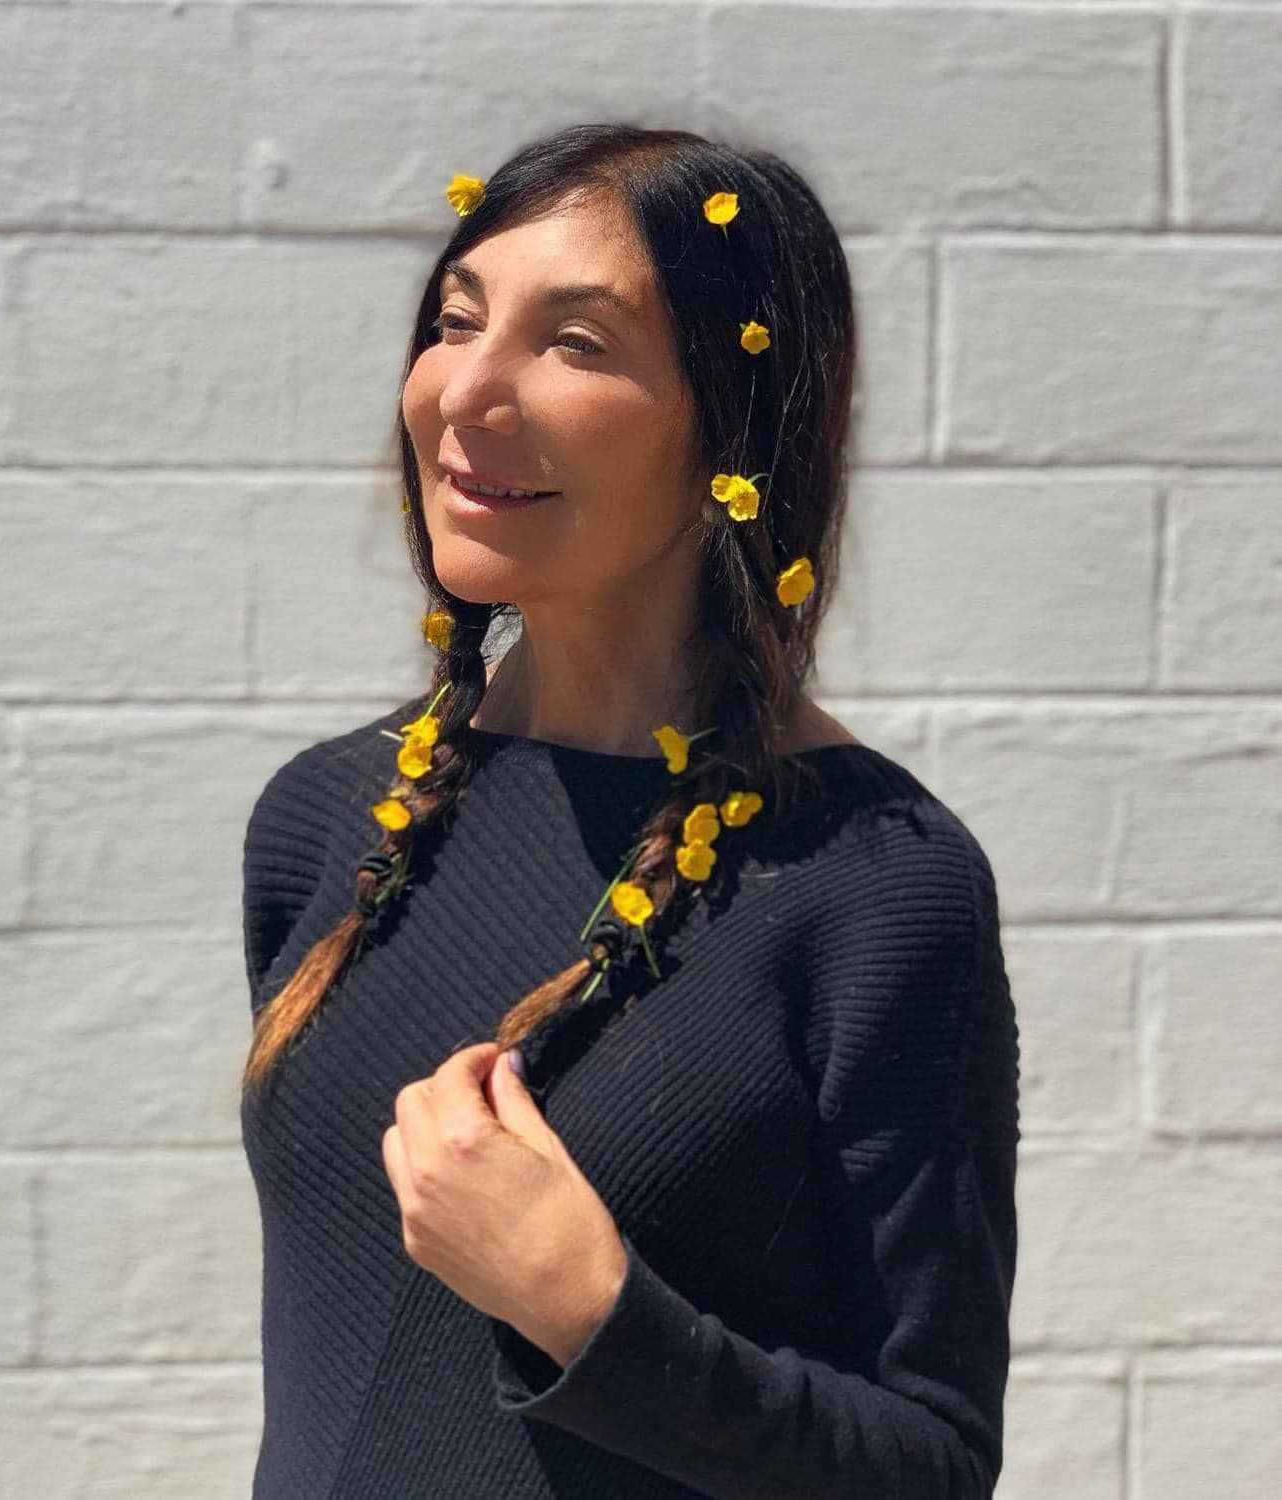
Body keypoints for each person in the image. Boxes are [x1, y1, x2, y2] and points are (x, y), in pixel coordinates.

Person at [239, 123, 1020, 1499]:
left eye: (577, 343)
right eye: (457, 319)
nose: (464, 390)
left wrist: (587, 1309)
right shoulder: (330, 821)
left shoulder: (875, 887)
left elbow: (929, 1465)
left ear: (734, 425)